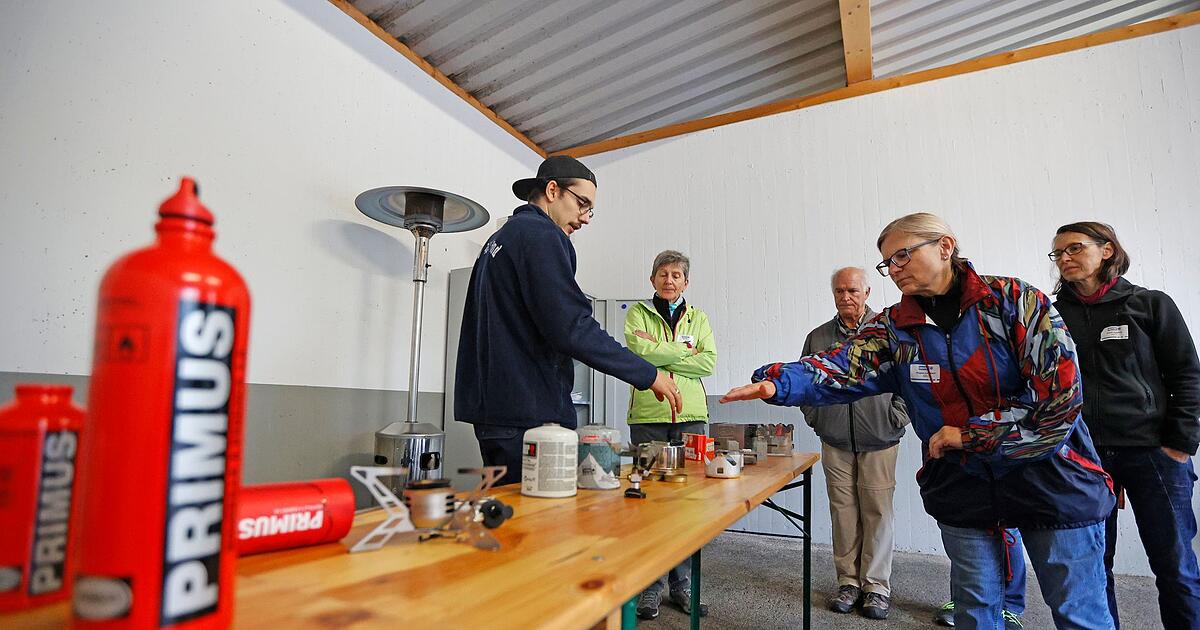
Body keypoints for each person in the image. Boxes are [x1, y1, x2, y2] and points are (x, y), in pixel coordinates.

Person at [721, 212, 1116, 630]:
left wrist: (969, 435)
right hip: (964, 483)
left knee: (1077, 609)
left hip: (1050, 475)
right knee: (976, 609)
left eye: (903, 255)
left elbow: (1058, 398)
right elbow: (842, 367)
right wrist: (778, 383)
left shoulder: (1013, 301)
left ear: (945, 247)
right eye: (887, 262)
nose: (894, 269)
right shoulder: (896, 327)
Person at [454, 156, 681, 485]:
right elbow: (572, 328)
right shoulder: (541, 236)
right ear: (551, 190)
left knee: (509, 516)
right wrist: (647, 374)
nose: (585, 218)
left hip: (496, 412)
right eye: (582, 203)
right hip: (527, 415)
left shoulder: (501, 239)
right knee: (538, 522)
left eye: (591, 209)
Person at [1050, 221, 1200, 629]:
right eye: (1058, 253)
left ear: (1108, 251)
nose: (1065, 258)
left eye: (1075, 248)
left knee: (1177, 568)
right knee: (1096, 567)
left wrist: (1181, 443)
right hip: (1085, 458)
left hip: (1154, 453)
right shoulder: (1052, 316)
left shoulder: (1149, 304)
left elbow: (1187, 374)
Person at [799, 267, 909, 620]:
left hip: (880, 437)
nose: (846, 297)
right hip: (834, 439)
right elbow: (805, 383)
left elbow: (911, 380)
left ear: (867, 292)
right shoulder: (818, 337)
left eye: (852, 291)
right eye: (839, 291)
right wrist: (816, 418)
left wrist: (896, 417)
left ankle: (876, 586)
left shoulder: (889, 333)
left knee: (877, 511)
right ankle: (848, 581)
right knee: (843, 512)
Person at [624, 250, 718, 620]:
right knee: (647, 503)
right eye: (663, 274)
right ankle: (649, 587)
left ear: (686, 282)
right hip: (648, 415)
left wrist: (660, 353)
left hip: (691, 417)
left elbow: (708, 362)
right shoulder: (636, 314)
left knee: (687, 506)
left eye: (676, 275)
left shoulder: (700, 318)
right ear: (653, 280)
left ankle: (684, 586)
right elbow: (636, 351)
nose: (669, 280)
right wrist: (683, 350)